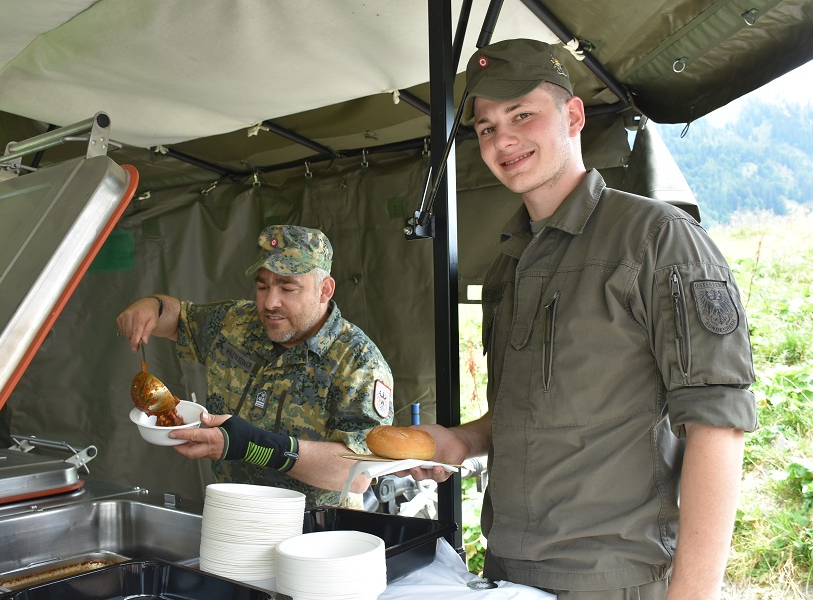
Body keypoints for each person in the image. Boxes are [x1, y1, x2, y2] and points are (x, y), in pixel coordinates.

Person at [406, 39, 757, 599]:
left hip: (612, 580)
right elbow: (536, 406)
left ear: (572, 116)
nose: (504, 140)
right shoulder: (511, 258)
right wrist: (459, 440)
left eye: (522, 114)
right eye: (487, 126)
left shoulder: (657, 239)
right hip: (506, 573)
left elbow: (718, 425)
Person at [116, 225, 394, 508]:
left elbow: (359, 472)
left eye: (287, 287)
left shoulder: (358, 362)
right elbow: (178, 318)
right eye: (263, 286)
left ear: (324, 290)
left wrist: (253, 446)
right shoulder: (235, 322)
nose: (270, 302)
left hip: (314, 535)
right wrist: (152, 306)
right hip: (231, 519)